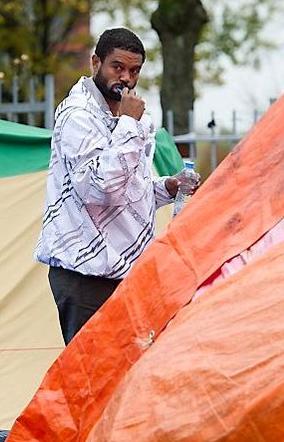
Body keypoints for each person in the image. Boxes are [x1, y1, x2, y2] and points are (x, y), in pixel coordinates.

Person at [34, 27, 197, 344]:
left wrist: (169, 186)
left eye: (133, 71)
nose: (125, 78)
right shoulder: (76, 115)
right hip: (85, 274)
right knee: (91, 380)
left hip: (130, 271)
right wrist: (129, 125)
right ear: (96, 63)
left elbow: (129, 190)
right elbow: (101, 188)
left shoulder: (134, 120)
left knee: (129, 375)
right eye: (117, 67)